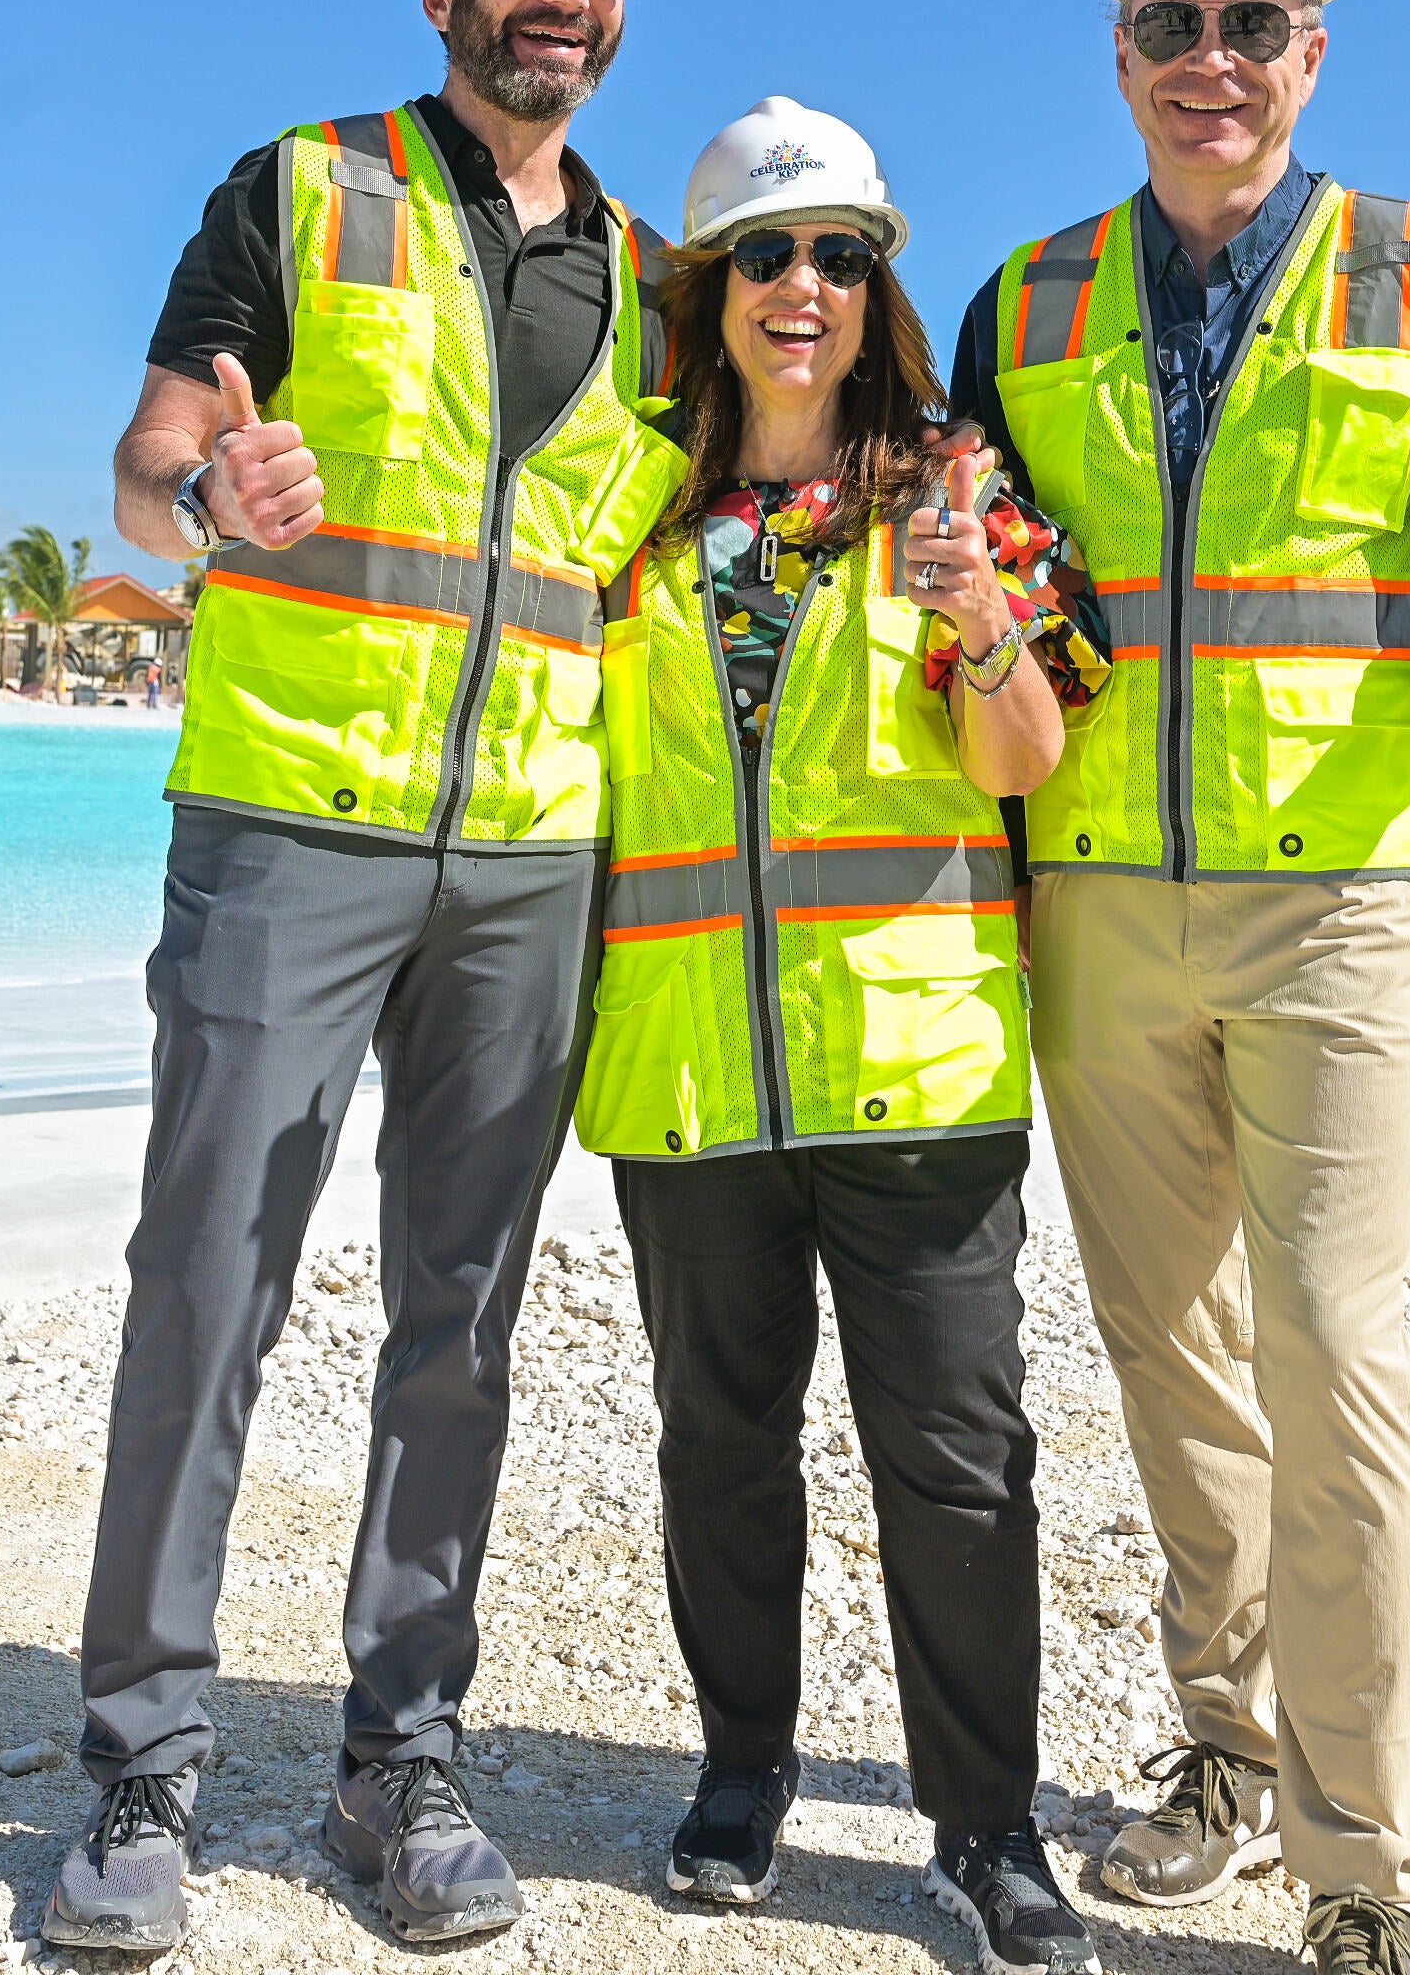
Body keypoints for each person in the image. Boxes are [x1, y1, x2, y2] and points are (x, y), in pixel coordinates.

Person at [947, 0, 1410, 1975]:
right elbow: (975, 595)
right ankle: (1224, 1745)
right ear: (1117, 46)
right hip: (1101, 911)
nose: (1208, 60)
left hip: (1338, 908)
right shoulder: (1023, 303)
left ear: (1314, 46)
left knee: (1335, 1346)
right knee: (1172, 1354)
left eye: (1251, 23)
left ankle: (1358, 1858)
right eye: (1170, 24)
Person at [46, 0, 692, 1955]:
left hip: (526, 854)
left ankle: (395, 1758)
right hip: (287, 828)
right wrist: (211, 486)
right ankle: (141, 1766)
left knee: (465, 1317)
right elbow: (144, 473)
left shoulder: (660, 283)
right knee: (208, 1282)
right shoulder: (299, 189)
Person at [579, 101, 1113, 1973]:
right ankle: (741, 1776)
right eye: (766, 256)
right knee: (720, 1439)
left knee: (956, 1461)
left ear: (879, 290)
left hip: (918, 1064)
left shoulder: (957, 491)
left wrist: (980, 630)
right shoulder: (626, 506)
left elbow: (1028, 761)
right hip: (685, 1067)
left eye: (841, 257)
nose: (803, 289)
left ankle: (988, 1831)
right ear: (710, 288)